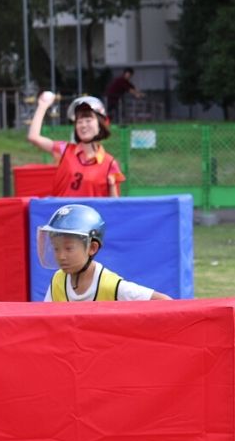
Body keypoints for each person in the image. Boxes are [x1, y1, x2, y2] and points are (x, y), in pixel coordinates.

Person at [37, 204, 171, 301]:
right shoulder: (57, 281)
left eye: (69, 248)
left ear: (92, 248)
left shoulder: (111, 286)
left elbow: (164, 302)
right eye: (56, 248)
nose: (61, 256)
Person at [27, 93, 125, 198]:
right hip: (63, 213)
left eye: (88, 120)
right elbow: (34, 137)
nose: (83, 125)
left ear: (100, 125)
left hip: (91, 214)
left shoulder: (110, 164)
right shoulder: (64, 150)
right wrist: (43, 106)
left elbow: (115, 205)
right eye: (79, 121)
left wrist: (112, 185)